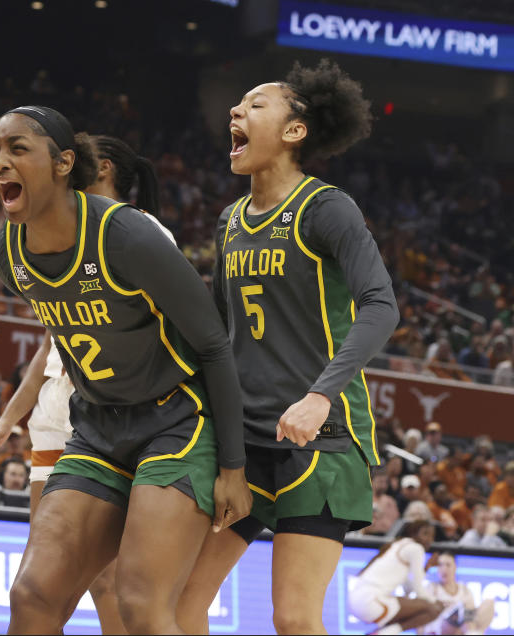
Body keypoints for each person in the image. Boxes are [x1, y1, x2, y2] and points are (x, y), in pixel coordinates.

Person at [0, 105, 249, 633]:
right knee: (32, 595)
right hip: (98, 429)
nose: (0, 162)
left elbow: (215, 344)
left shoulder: (126, 235)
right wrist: (15, 411)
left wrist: (233, 469)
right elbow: (60, 335)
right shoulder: (8, 253)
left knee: (140, 604)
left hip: (176, 423)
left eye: (17, 149)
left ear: (62, 163)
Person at [181, 59, 399, 634]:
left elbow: (381, 305)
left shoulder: (326, 207)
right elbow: (221, 340)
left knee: (294, 619)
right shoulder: (229, 221)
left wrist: (321, 396)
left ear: (294, 130)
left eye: (255, 105)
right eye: (238, 105)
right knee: (180, 604)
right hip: (245, 439)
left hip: (318, 438)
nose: (236, 111)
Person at [0, 131, 171, 633]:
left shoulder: (139, 230)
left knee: (109, 582)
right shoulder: (58, 232)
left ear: (101, 168)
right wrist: (8, 418)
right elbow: (51, 344)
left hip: (117, 415)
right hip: (55, 416)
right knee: (39, 582)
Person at [348, 521, 444, 635]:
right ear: (414, 533)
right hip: (371, 600)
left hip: (357, 601)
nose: (429, 539)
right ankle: (385, 633)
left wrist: (427, 567)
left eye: (432, 536)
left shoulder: (399, 545)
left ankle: (383, 632)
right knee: (433, 610)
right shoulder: (416, 548)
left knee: (418, 609)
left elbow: (409, 589)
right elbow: (419, 591)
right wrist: (436, 602)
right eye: (425, 534)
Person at [422, 552, 495, 635]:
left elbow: (471, 615)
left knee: (489, 603)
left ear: (455, 567)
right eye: (440, 565)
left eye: (448, 565)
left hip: (462, 629)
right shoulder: (432, 588)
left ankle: (473, 632)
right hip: (440, 629)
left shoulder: (465, 590)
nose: (444, 569)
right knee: (460, 612)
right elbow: (420, 617)